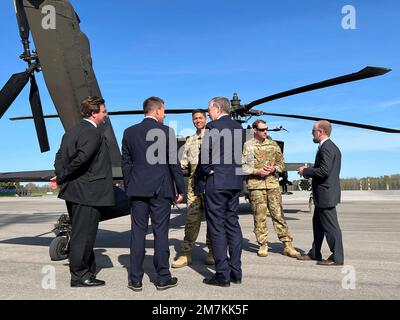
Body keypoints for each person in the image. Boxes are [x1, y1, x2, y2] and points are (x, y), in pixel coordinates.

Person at [121, 96, 185, 291]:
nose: (164, 115)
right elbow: (173, 164)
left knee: (138, 233)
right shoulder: (167, 132)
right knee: (160, 233)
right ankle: (163, 277)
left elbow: (126, 164)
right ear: (157, 111)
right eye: (163, 111)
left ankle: (135, 279)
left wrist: (130, 186)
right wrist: (180, 189)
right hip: (161, 191)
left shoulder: (129, 132)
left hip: (138, 190)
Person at [51, 96, 115, 287]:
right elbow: (82, 160)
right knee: (84, 235)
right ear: (94, 113)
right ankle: (79, 275)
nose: (106, 114)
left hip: (74, 191)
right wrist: (62, 177)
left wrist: (60, 175)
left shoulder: (71, 132)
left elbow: (59, 157)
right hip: (88, 193)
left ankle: (88, 270)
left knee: (81, 232)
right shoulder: (93, 133)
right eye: (103, 111)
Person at [196, 97, 243, 287]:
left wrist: (206, 171)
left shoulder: (213, 127)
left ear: (217, 108)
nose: (208, 113)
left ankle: (222, 274)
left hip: (218, 182)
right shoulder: (238, 128)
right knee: (232, 223)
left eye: (209, 110)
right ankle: (236, 272)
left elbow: (205, 156)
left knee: (216, 227)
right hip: (235, 182)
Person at [242, 119, 300, 258]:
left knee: (278, 215)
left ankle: (287, 244)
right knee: (259, 216)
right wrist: (257, 171)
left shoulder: (273, 145)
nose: (265, 132)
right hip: (256, 187)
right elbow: (243, 167)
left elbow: (281, 164)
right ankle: (263, 244)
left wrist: (274, 168)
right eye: (262, 130)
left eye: (266, 129)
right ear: (254, 130)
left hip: (272, 185)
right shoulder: (248, 146)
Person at [297, 120, 344, 266]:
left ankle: (337, 257)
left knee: (331, 227)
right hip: (323, 195)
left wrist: (306, 171)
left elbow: (324, 171)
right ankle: (315, 253)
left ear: (321, 132)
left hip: (326, 195)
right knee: (317, 225)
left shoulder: (327, 148)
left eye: (313, 131)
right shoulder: (327, 147)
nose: (312, 133)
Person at [172, 110, 214, 268]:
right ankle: (185, 254)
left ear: (206, 119)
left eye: (200, 118)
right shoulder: (190, 141)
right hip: (194, 186)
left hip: (211, 184)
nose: (198, 120)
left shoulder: (214, 137)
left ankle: (212, 252)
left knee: (213, 220)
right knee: (191, 221)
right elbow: (183, 163)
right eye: (195, 118)